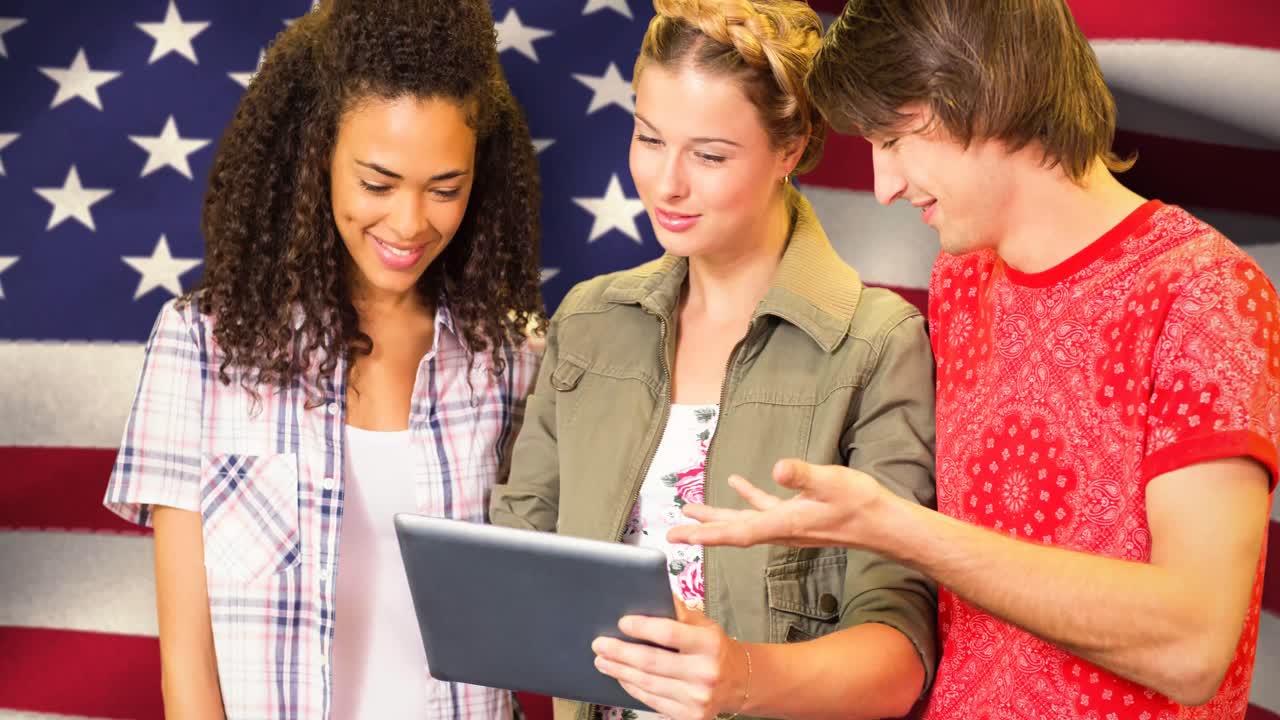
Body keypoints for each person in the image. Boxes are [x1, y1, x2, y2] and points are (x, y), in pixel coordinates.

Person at [670, 1, 1279, 718]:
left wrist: (901, 528)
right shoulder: (961, 282)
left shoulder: (1201, 292)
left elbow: (1192, 647)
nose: (883, 186)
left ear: (984, 93)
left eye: (894, 139)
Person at [490, 2, 938, 719]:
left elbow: (898, 657)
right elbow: (515, 562)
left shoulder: (879, 344)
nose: (666, 183)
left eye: (709, 155)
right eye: (648, 138)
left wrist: (744, 676)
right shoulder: (588, 322)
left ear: (788, 150)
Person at [102, 1, 543, 718]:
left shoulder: (513, 359)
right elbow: (186, 669)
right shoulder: (202, 347)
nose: (408, 223)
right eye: (377, 182)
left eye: (445, 189)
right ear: (316, 158)